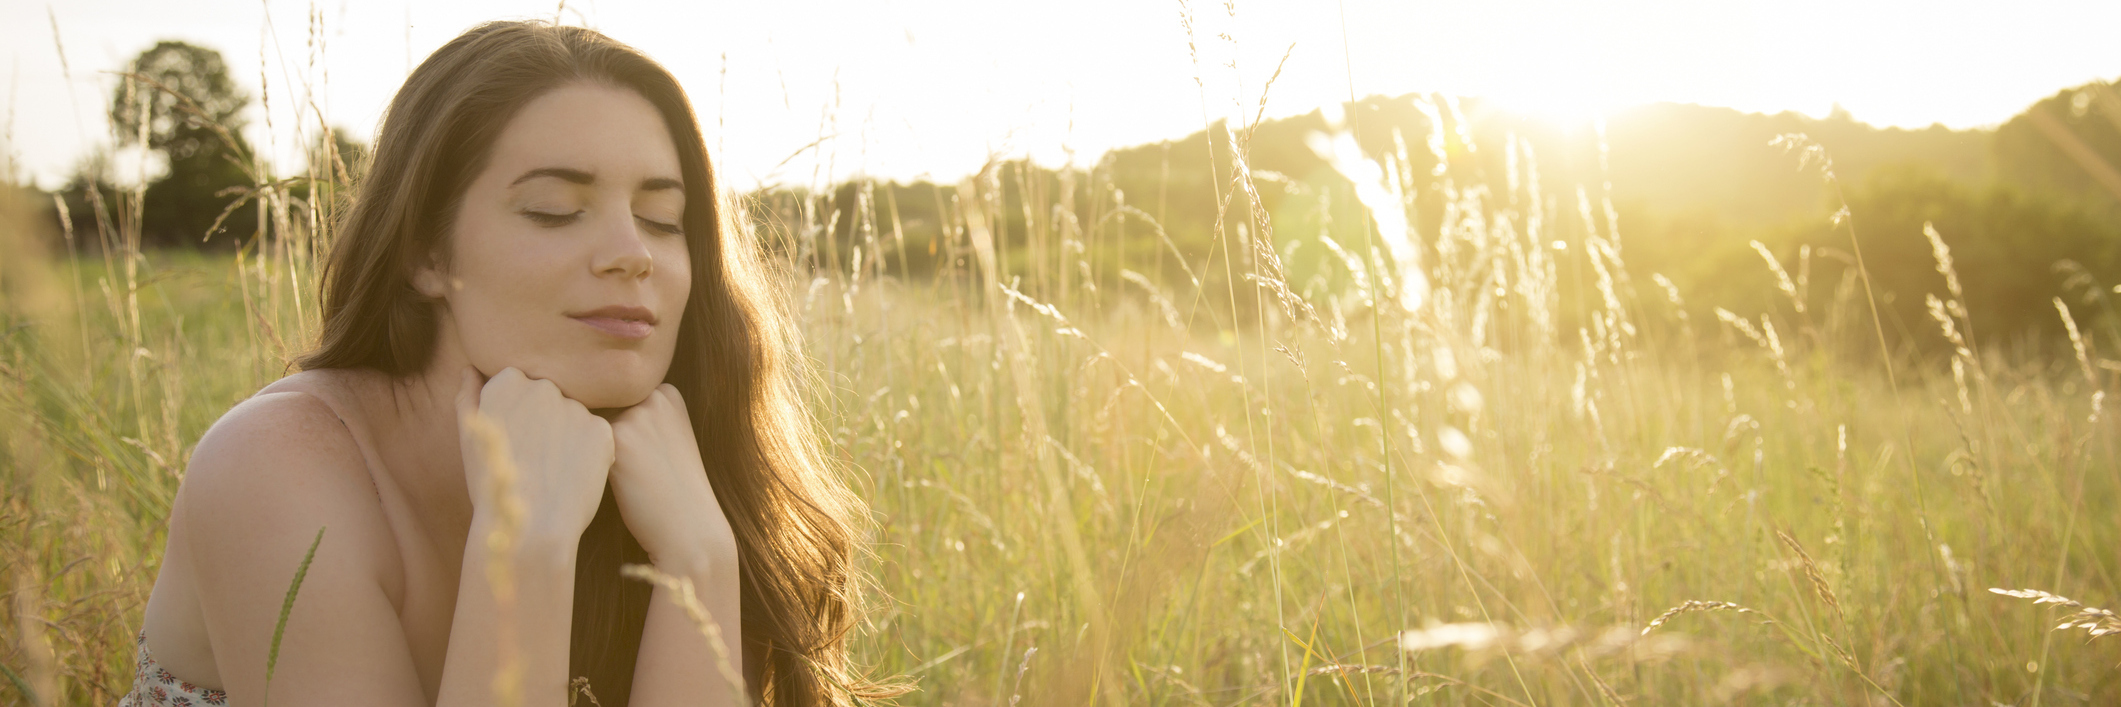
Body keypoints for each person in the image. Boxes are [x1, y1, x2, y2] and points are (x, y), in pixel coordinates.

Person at [121, 20, 896, 707]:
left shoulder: (674, 472)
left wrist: (697, 556)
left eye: (663, 220)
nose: (632, 254)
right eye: (555, 210)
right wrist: (524, 547)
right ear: (426, 248)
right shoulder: (277, 466)